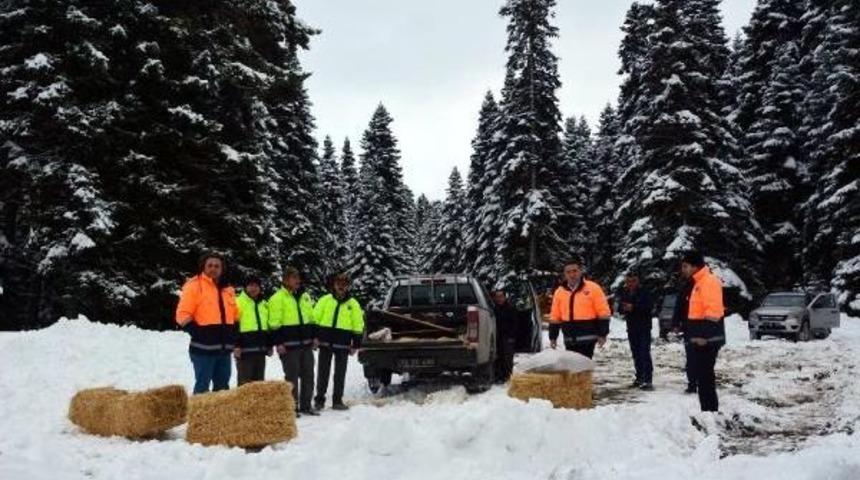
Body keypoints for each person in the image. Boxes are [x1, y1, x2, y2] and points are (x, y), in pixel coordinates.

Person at [175, 252, 239, 394]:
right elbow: (182, 314)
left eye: (217, 266)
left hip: (224, 349)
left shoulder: (228, 289)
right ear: (203, 267)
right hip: (203, 350)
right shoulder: (194, 286)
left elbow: (235, 316)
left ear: (222, 269)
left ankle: (218, 416)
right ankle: (197, 416)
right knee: (202, 387)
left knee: (222, 388)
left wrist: (234, 335)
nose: (213, 268)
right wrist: (199, 333)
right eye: (209, 265)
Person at [268, 267, 318, 416]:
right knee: (292, 377)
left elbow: (312, 319)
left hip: (306, 344)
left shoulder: (305, 297)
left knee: (309, 375)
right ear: (285, 280)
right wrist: (279, 343)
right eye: (293, 278)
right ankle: (292, 407)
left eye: (298, 278)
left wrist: (314, 337)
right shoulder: (277, 298)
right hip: (289, 346)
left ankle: (306, 405)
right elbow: (273, 324)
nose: (297, 281)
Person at [680, 251, 725, 412]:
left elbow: (713, 313)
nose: (683, 269)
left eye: (685, 266)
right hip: (699, 338)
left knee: (705, 376)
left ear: (694, 266)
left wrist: (705, 337)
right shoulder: (698, 282)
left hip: (706, 340)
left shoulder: (708, 282)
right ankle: (707, 411)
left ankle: (710, 411)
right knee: (701, 375)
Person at [314, 273, 364, 411]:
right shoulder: (325, 300)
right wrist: (315, 337)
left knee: (340, 374)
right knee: (322, 373)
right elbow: (315, 319)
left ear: (348, 286)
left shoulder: (353, 304)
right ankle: (319, 400)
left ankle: (337, 400)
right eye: (339, 284)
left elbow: (358, 325)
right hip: (325, 342)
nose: (341, 287)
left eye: (344, 284)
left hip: (343, 343)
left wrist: (356, 344)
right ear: (334, 285)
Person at [548, 259, 612, 359]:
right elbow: (555, 315)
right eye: (568, 272)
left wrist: (602, 334)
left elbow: (603, 312)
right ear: (564, 274)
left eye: (574, 271)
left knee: (584, 366)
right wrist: (553, 337)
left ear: (580, 271)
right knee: (572, 368)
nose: (572, 275)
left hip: (588, 337)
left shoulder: (593, 288)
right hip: (569, 337)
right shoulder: (560, 291)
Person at [619, 273, 655, 390]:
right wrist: (623, 308)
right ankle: (639, 377)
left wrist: (633, 307)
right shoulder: (625, 292)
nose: (631, 284)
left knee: (644, 352)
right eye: (628, 281)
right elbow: (620, 307)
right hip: (631, 327)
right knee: (636, 353)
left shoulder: (645, 292)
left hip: (644, 327)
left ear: (638, 281)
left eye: (633, 281)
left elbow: (649, 307)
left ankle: (648, 380)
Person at [234, 276, 271, 386]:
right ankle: (242, 404)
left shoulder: (264, 304)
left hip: (260, 350)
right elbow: (233, 326)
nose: (253, 288)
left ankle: (258, 404)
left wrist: (269, 344)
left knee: (259, 385)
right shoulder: (238, 302)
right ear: (245, 287)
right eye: (250, 285)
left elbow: (267, 326)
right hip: (244, 351)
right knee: (245, 385)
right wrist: (236, 345)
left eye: (256, 286)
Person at [672, 277, 697, 394]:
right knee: (691, 356)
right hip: (689, 327)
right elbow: (679, 306)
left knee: (703, 357)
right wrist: (676, 323)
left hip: (703, 326)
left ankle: (701, 381)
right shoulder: (685, 286)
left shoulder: (706, 284)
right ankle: (692, 383)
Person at [491, 289, 518, 383]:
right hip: (497, 337)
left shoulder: (511, 309)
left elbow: (515, 324)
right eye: (497, 297)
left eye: (501, 296)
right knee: (498, 357)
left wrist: (512, 337)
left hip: (508, 337)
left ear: (505, 297)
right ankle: (498, 376)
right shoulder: (493, 310)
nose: (499, 299)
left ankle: (507, 376)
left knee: (507, 358)